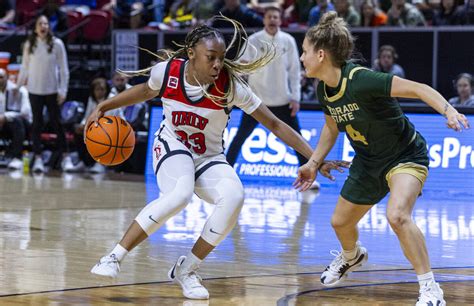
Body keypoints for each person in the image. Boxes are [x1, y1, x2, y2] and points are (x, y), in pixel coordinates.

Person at [87, 18, 345, 300]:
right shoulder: (168, 73)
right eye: (211, 58)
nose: (217, 65)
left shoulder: (230, 87)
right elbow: (146, 90)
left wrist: (316, 159)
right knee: (180, 194)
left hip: (209, 156)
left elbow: (275, 124)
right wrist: (106, 105)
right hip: (172, 146)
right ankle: (114, 256)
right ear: (192, 55)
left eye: (221, 58)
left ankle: (187, 268)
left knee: (234, 197)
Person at [294, 11, 469, 306]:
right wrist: (313, 163)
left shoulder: (363, 80)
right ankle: (353, 256)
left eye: (305, 52)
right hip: (367, 161)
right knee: (339, 223)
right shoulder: (324, 88)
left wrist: (448, 110)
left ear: (321, 54)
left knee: (397, 215)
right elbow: (331, 127)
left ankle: (430, 290)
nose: (302, 58)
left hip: (405, 155)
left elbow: (419, 88)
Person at [226, 6, 319, 189]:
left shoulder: (288, 40)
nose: (273, 20)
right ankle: (226, 176)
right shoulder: (253, 40)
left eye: (276, 17)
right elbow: (242, 67)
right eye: (269, 17)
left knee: (297, 140)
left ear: (280, 19)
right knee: (239, 139)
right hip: (256, 101)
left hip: (283, 100)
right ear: (264, 19)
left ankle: (309, 178)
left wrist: (296, 98)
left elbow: (294, 72)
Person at [17, 15, 70, 173]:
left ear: (49, 26)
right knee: (36, 125)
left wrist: (63, 90)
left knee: (57, 123)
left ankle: (66, 156)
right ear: (35, 27)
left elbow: (64, 69)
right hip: (34, 90)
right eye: (40, 23)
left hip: (52, 90)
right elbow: (24, 67)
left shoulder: (57, 44)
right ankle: (38, 158)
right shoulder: (29, 44)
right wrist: (18, 86)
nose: (43, 26)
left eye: (46, 23)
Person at [64, 77, 124, 173]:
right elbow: (87, 116)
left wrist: (90, 127)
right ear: (93, 90)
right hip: (98, 127)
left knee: (99, 136)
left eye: (102, 89)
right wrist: (82, 125)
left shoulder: (111, 99)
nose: (100, 92)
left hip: (116, 129)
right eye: (97, 90)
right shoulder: (92, 99)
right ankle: (83, 162)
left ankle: (100, 164)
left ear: (106, 90)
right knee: (79, 132)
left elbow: (107, 121)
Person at [0, 68, 32, 170]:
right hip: (4, 125)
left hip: (25, 125)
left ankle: (15, 157)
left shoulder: (20, 90)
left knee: (16, 121)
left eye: (1, 77)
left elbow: (25, 112)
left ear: (7, 78)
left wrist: (5, 116)